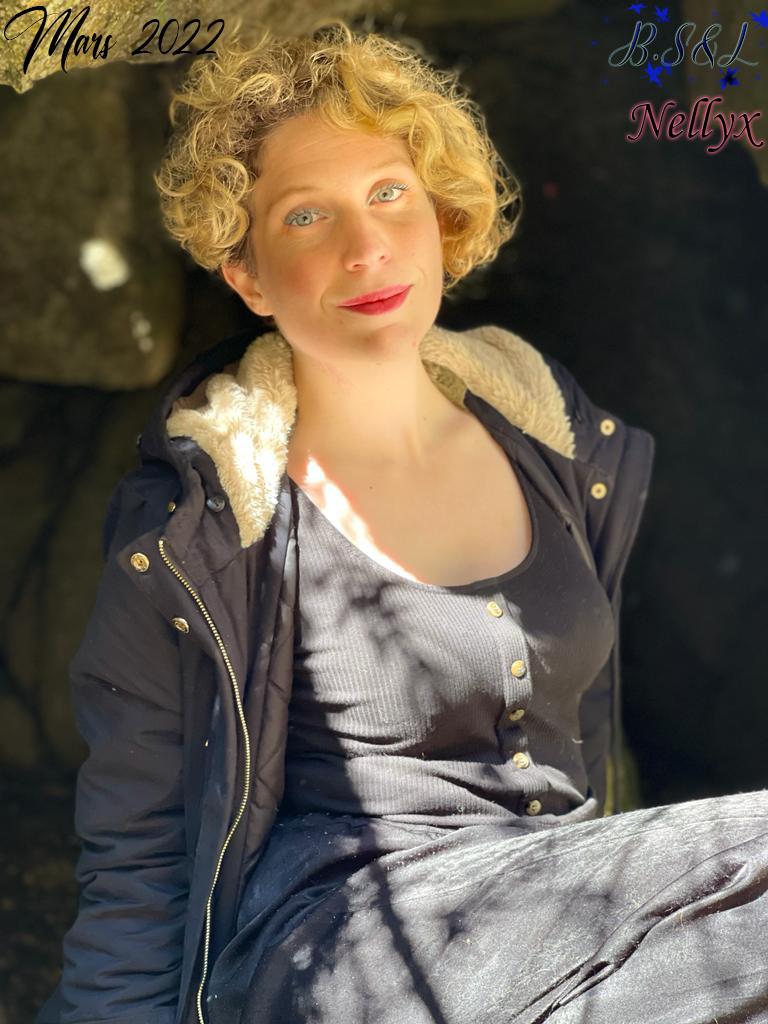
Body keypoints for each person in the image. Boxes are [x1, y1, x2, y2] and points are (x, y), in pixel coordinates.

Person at [38, 19, 768, 1024]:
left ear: (442, 219)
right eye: (306, 215)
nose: (366, 245)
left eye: (390, 194)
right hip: (347, 954)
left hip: (569, 918)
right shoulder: (202, 523)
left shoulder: (552, 443)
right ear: (246, 274)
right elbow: (140, 854)